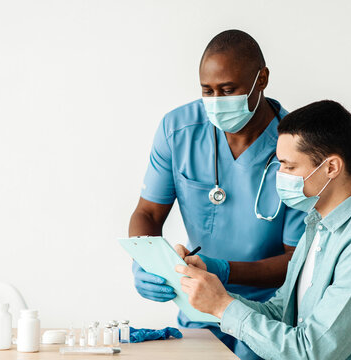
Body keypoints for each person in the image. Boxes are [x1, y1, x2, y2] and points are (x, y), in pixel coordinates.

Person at [175, 100, 351, 359]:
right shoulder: (316, 228)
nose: (281, 175)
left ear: (331, 167)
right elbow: (282, 314)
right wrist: (213, 292)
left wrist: (223, 306)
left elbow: (311, 352)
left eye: (289, 166)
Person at [128, 29, 306, 359]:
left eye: (228, 90)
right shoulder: (177, 129)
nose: (216, 102)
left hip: (267, 315)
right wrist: (146, 259)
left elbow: (297, 261)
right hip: (197, 309)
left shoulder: (295, 146)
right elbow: (148, 214)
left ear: (261, 79)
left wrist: (222, 271)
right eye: (207, 91)